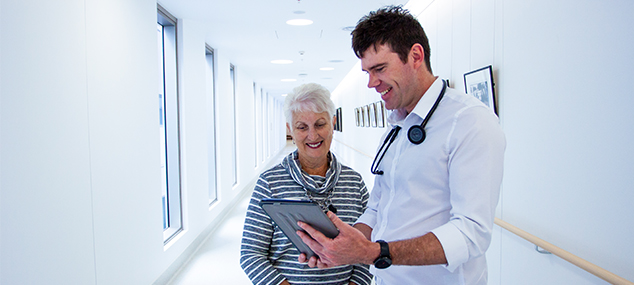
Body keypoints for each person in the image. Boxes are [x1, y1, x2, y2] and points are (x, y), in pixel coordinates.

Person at [296, 6, 506, 285]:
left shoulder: (469, 122)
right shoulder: (396, 126)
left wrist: (375, 252)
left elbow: (471, 233)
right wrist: (341, 246)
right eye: (367, 72)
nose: (371, 83)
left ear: (415, 56)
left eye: (379, 68)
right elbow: (379, 206)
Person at [240, 83, 372, 285]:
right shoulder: (270, 183)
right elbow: (251, 255)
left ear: (333, 123)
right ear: (290, 129)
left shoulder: (354, 183)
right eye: (302, 127)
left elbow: (368, 249)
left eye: (320, 124)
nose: (312, 135)